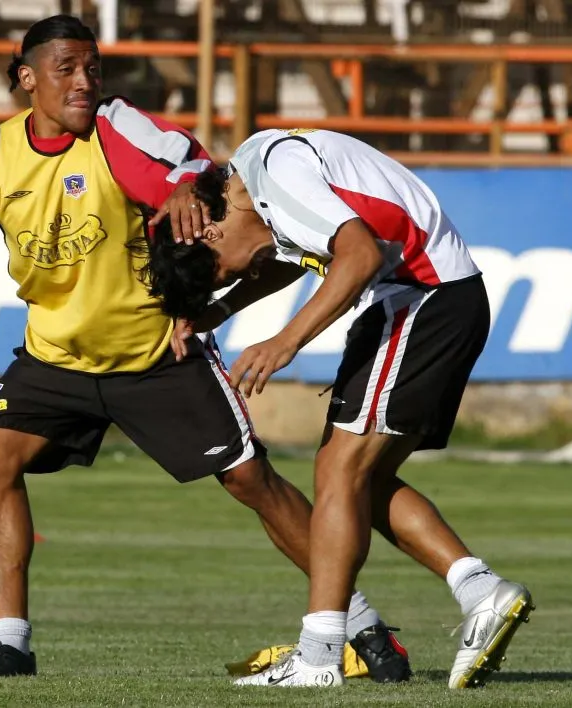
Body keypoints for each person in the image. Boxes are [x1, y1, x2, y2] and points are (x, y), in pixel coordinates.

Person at [0, 16, 406, 681]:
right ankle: (10, 644)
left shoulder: (117, 129)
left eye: (92, 68)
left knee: (250, 481)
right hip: (56, 357)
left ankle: (365, 628)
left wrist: (182, 187)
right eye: (66, 69)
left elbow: (195, 168)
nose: (83, 82)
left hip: (156, 351)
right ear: (26, 79)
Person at [146, 127, 535, 689]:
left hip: (420, 295)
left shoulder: (275, 173)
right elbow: (294, 251)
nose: (244, 272)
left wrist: (285, 342)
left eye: (226, 270)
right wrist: (224, 307)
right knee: (363, 482)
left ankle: (319, 654)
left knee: (338, 472)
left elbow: (357, 253)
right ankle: (482, 593)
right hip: (425, 298)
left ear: (209, 229)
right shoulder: (253, 179)